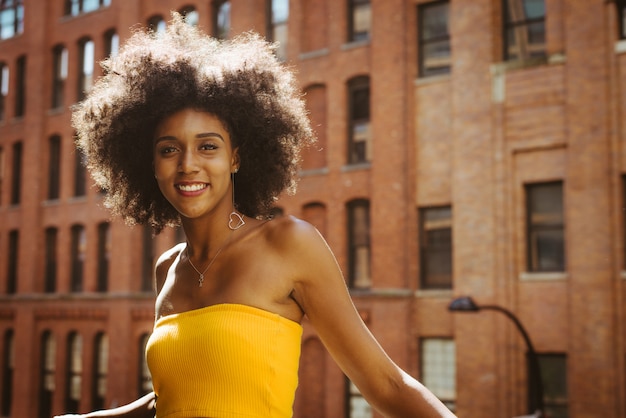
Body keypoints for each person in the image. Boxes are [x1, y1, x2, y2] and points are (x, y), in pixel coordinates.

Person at [55, 13, 456, 418]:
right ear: (150, 163)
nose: (188, 165)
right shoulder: (167, 269)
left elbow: (386, 385)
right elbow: (174, 399)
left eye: (208, 147)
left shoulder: (287, 243)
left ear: (237, 158)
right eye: (169, 149)